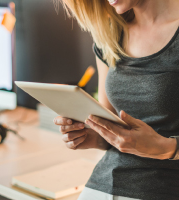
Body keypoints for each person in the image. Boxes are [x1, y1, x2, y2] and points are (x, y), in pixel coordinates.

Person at [53, 0, 179, 199]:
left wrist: (166, 148)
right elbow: (112, 127)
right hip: (101, 186)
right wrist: (91, 135)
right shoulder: (110, 34)